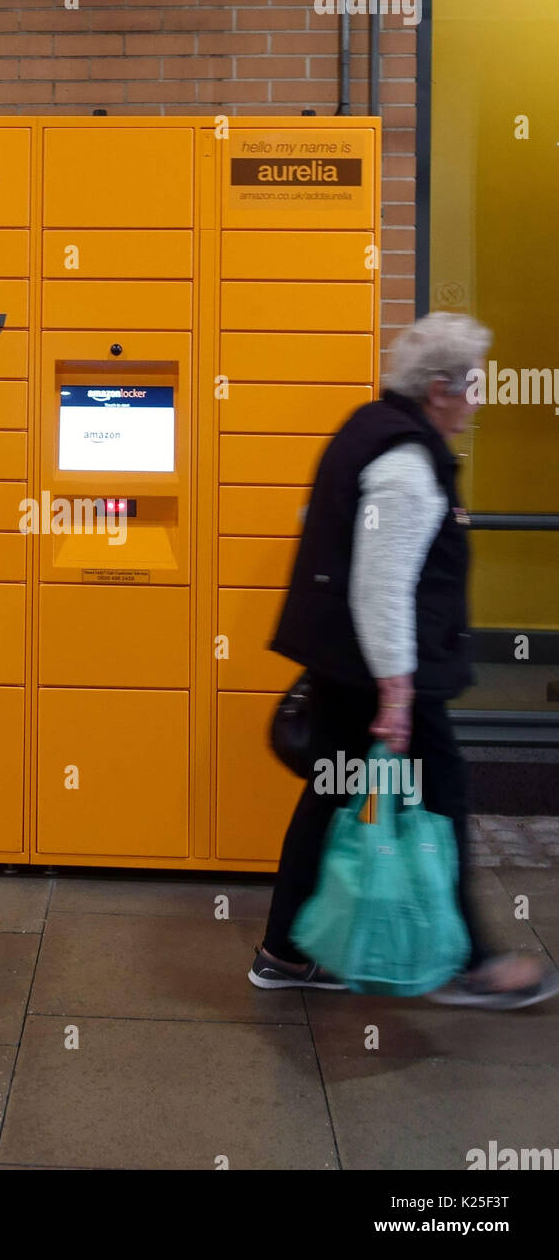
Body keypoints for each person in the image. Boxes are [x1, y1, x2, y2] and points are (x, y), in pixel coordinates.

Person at [248, 312, 558, 1009]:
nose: (478, 398)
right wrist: (395, 694)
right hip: (382, 676)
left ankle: (284, 953)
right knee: (442, 797)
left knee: (329, 792)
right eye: (472, 384)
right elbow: (379, 587)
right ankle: (469, 962)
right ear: (440, 389)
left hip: (344, 666)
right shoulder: (406, 465)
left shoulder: (369, 426)